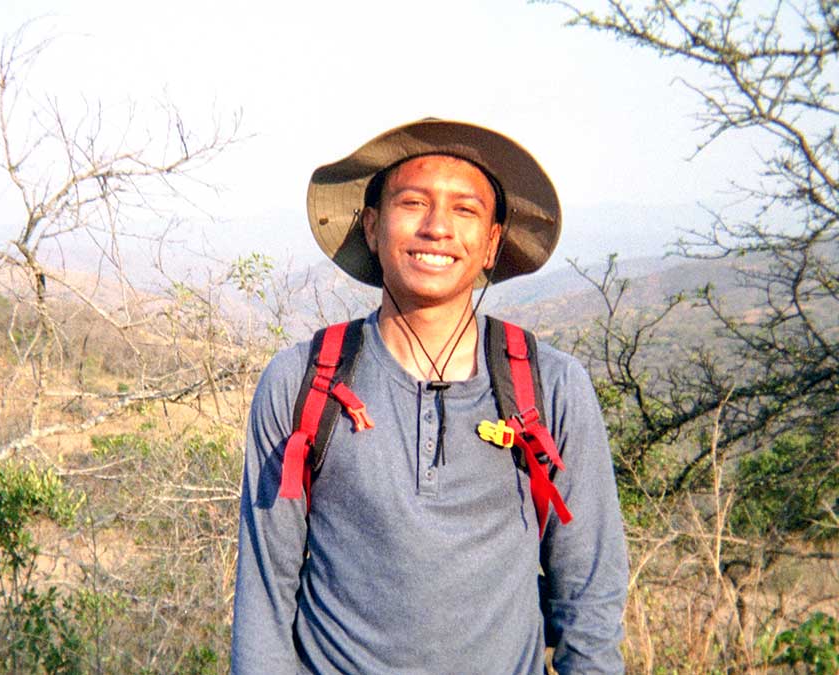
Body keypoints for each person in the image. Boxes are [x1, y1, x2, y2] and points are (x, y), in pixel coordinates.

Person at [230, 119, 629, 674]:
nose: (437, 227)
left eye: (465, 210)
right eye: (413, 202)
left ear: (491, 242)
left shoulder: (552, 387)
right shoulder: (302, 383)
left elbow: (590, 594)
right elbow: (265, 597)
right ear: (372, 227)